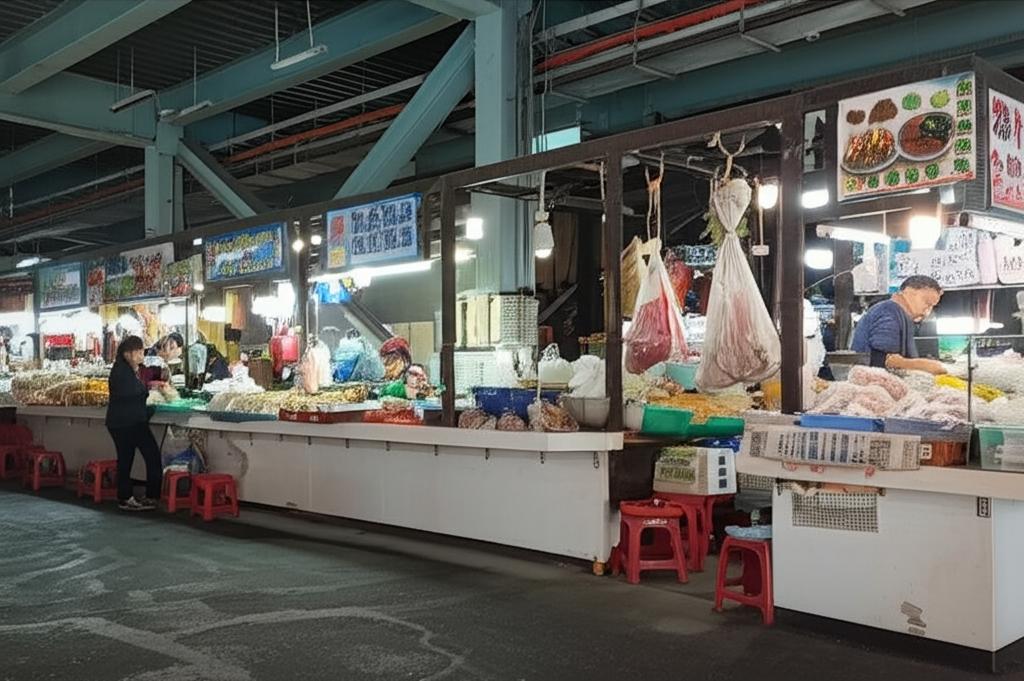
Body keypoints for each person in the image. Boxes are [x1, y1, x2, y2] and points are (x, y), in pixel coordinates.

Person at [106, 336, 162, 512]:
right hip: (130, 422)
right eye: (137, 352)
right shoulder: (122, 372)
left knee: (126, 459)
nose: (141, 355)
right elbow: (137, 393)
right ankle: (149, 496)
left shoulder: (128, 370)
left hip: (123, 422)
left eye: (141, 351)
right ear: (127, 354)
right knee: (151, 456)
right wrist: (151, 395)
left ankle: (126, 497)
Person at [851, 274, 947, 375]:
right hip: (871, 380)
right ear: (909, 292)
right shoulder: (888, 311)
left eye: (932, 306)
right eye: (927, 303)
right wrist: (922, 365)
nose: (928, 311)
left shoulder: (902, 315)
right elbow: (881, 359)